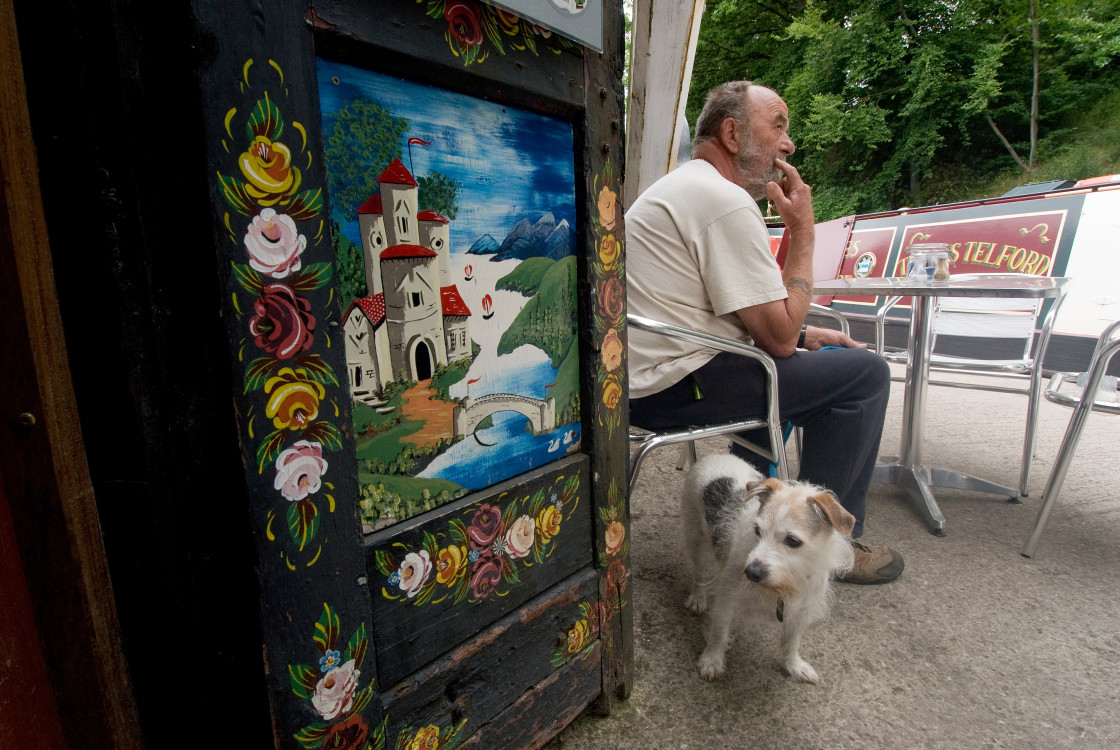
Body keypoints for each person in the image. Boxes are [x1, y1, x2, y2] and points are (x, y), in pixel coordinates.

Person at [626, 80, 903, 585]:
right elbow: (775, 337)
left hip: (641, 383)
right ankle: (831, 549)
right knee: (864, 375)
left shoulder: (687, 186)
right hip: (672, 386)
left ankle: (751, 516)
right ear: (731, 133)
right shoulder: (724, 200)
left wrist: (802, 336)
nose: (788, 144)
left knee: (792, 366)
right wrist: (804, 232)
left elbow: (747, 318)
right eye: (777, 125)